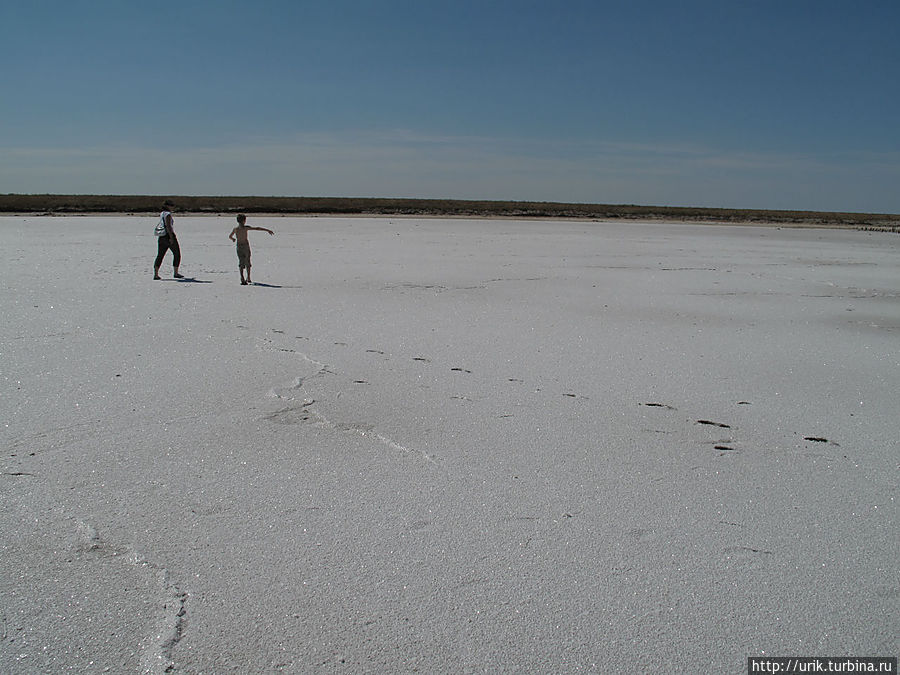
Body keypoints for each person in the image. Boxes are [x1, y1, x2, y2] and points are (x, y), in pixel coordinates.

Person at [228, 214, 274, 285]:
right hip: (244, 246)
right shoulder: (244, 228)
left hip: (239, 246)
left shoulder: (236, 229)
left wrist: (233, 239)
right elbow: (257, 228)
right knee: (246, 262)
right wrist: (267, 230)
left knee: (242, 262)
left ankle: (244, 277)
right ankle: (246, 277)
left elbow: (230, 236)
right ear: (244, 221)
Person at [153, 202, 183, 279]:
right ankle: (176, 273)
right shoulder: (168, 214)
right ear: (167, 206)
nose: (172, 207)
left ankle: (156, 274)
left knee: (160, 255)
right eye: (171, 206)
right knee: (177, 254)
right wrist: (171, 237)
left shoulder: (162, 213)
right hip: (168, 235)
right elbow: (168, 226)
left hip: (161, 236)